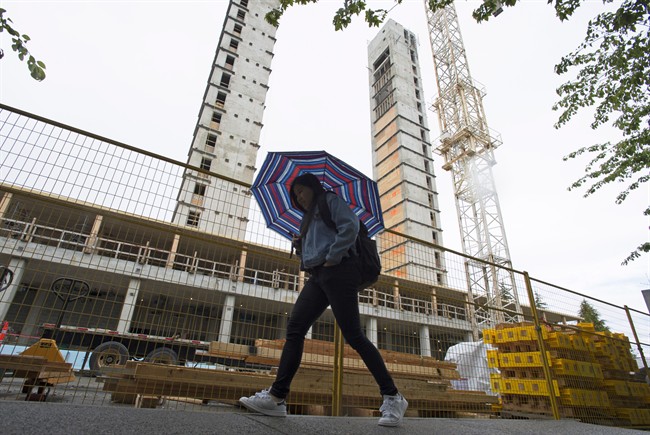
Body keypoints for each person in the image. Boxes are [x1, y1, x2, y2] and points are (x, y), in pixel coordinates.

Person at [240, 173, 408, 427]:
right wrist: (301, 244)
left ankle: (393, 396)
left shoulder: (329, 200)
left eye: (301, 191)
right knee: (295, 328)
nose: (299, 197)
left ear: (312, 188)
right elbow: (311, 254)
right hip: (318, 276)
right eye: (295, 195)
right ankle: (276, 398)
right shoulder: (307, 220)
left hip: (339, 270)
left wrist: (332, 256)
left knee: (353, 335)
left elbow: (350, 226)